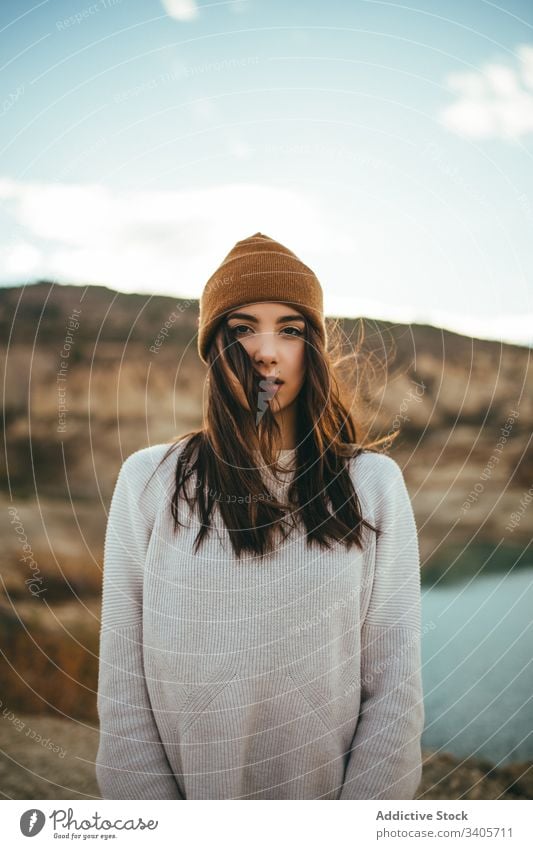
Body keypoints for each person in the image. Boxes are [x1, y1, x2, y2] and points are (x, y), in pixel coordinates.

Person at [95, 232, 425, 800]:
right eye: (242, 328)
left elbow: (394, 690)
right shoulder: (148, 480)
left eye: (290, 330)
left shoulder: (372, 484)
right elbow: (124, 691)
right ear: (213, 347)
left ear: (312, 349)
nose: (265, 352)